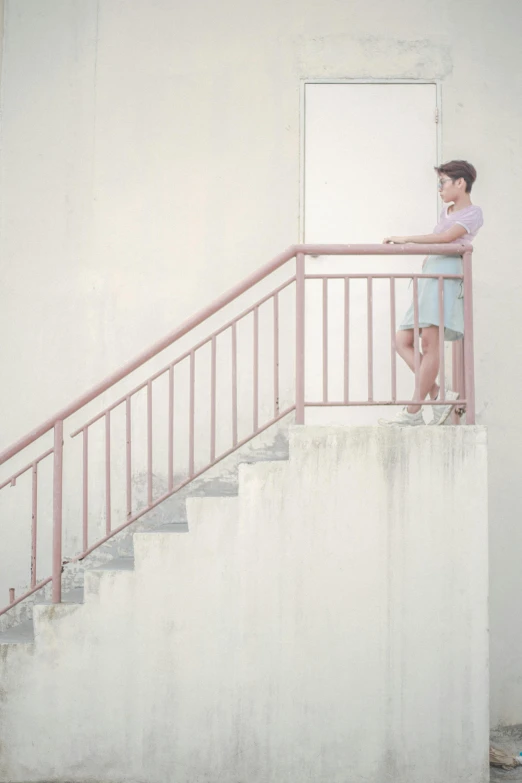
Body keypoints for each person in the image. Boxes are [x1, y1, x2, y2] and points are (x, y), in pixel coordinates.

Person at [378, 160, 483, 427]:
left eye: (443, 182)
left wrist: (406, 239)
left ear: (460, 183)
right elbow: (441, 238)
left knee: (429, 344)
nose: (439, 188)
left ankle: (413, 412)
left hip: (445, 277)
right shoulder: (445, 210)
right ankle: (437, 395)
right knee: (402, 339)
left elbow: (447, 239)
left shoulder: (473, 213)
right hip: (429, 276)